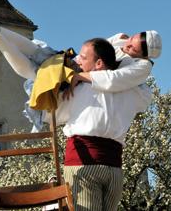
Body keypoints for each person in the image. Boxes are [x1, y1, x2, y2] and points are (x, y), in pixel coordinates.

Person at [0, 5, 162, 131]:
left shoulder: (142, 67)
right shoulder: (121, 40)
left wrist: (82, 77)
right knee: (38, 51)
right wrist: (77, 58)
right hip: (75, 63)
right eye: (131, 39)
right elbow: (98, 47)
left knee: (36, 71)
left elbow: (114, 80)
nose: (127, 45)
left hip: (80, 73)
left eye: (132, 48)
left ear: (144, 55)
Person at [41, 38, 152, 210]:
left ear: (99, 63)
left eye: (83, 58)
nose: (77, 60)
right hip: (114, 169)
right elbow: (145, 99)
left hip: (83, 165)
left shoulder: (77, 88)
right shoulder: (134, 89)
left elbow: (49, 116)